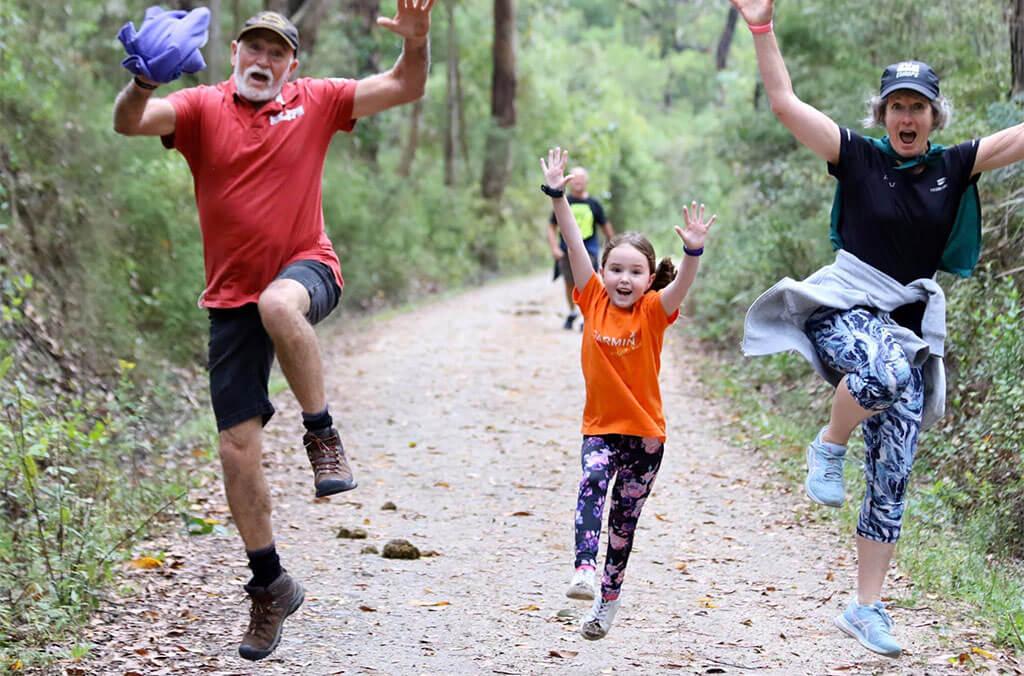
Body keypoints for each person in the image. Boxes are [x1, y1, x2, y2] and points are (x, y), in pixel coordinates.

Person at [112, 3, 435, 661]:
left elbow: (406, 85)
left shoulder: (315, 102)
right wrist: (142, 81)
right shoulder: (200, 108)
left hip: (305, 269)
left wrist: (419, 40)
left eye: (277, 53)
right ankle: (270, 582)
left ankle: (323, 434)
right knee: (236, 450)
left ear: (294, 65)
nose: (264, 61)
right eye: (254, 50)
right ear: (234, 52)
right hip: (227, 300)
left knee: (278, 305)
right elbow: (130, 123)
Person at [731, 0, 1024, 658]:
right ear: (883, 113)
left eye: (918, 106)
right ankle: (830, 444)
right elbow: (783, 103)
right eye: (897, 105)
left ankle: (866, 607)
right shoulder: (856, 156)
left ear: (933, 115)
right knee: (883, 374)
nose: (907, 117)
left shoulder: (957, 166)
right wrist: (760, 28)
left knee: (894, 470)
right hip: (843, 309)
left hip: (907, 324)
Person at [540, 147, 717, 640]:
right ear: (604, 272)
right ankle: (582, 569)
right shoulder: (591, 296)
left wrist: (693, 251)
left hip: (646, 438)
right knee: (592, 481)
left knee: (622, 527)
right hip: (600, 429)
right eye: (615, 269)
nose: (623, 278)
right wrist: (557, 195)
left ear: (646, 279)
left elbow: (681, 284)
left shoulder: (655, 311)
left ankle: (608, 604)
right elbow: (576, 243)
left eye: (635, 272)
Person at [546, 166, 615, 330]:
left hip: (589, 248)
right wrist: (554, 247)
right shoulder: (563, 200)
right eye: (575, 178)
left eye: (581, 178)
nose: (578, 181)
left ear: (586, 181)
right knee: (569, 282)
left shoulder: (594, 204)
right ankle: (572, 312)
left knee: (589, 281)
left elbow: (606, 226)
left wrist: (614, 248)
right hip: (566, 249)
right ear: (570, 181)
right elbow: (551, 226)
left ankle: (588, 315)